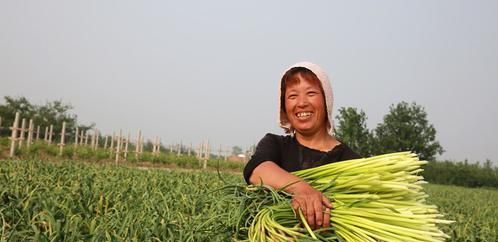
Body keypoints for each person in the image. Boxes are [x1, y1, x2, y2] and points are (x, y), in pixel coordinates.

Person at [243, 61, 361, 230]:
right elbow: (257, 169)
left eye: (311, 93)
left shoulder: (350, 162)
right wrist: (303, 190)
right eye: (292, 96)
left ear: (326, 99)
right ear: (284, 106)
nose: (301, 103)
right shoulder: (275, 145)